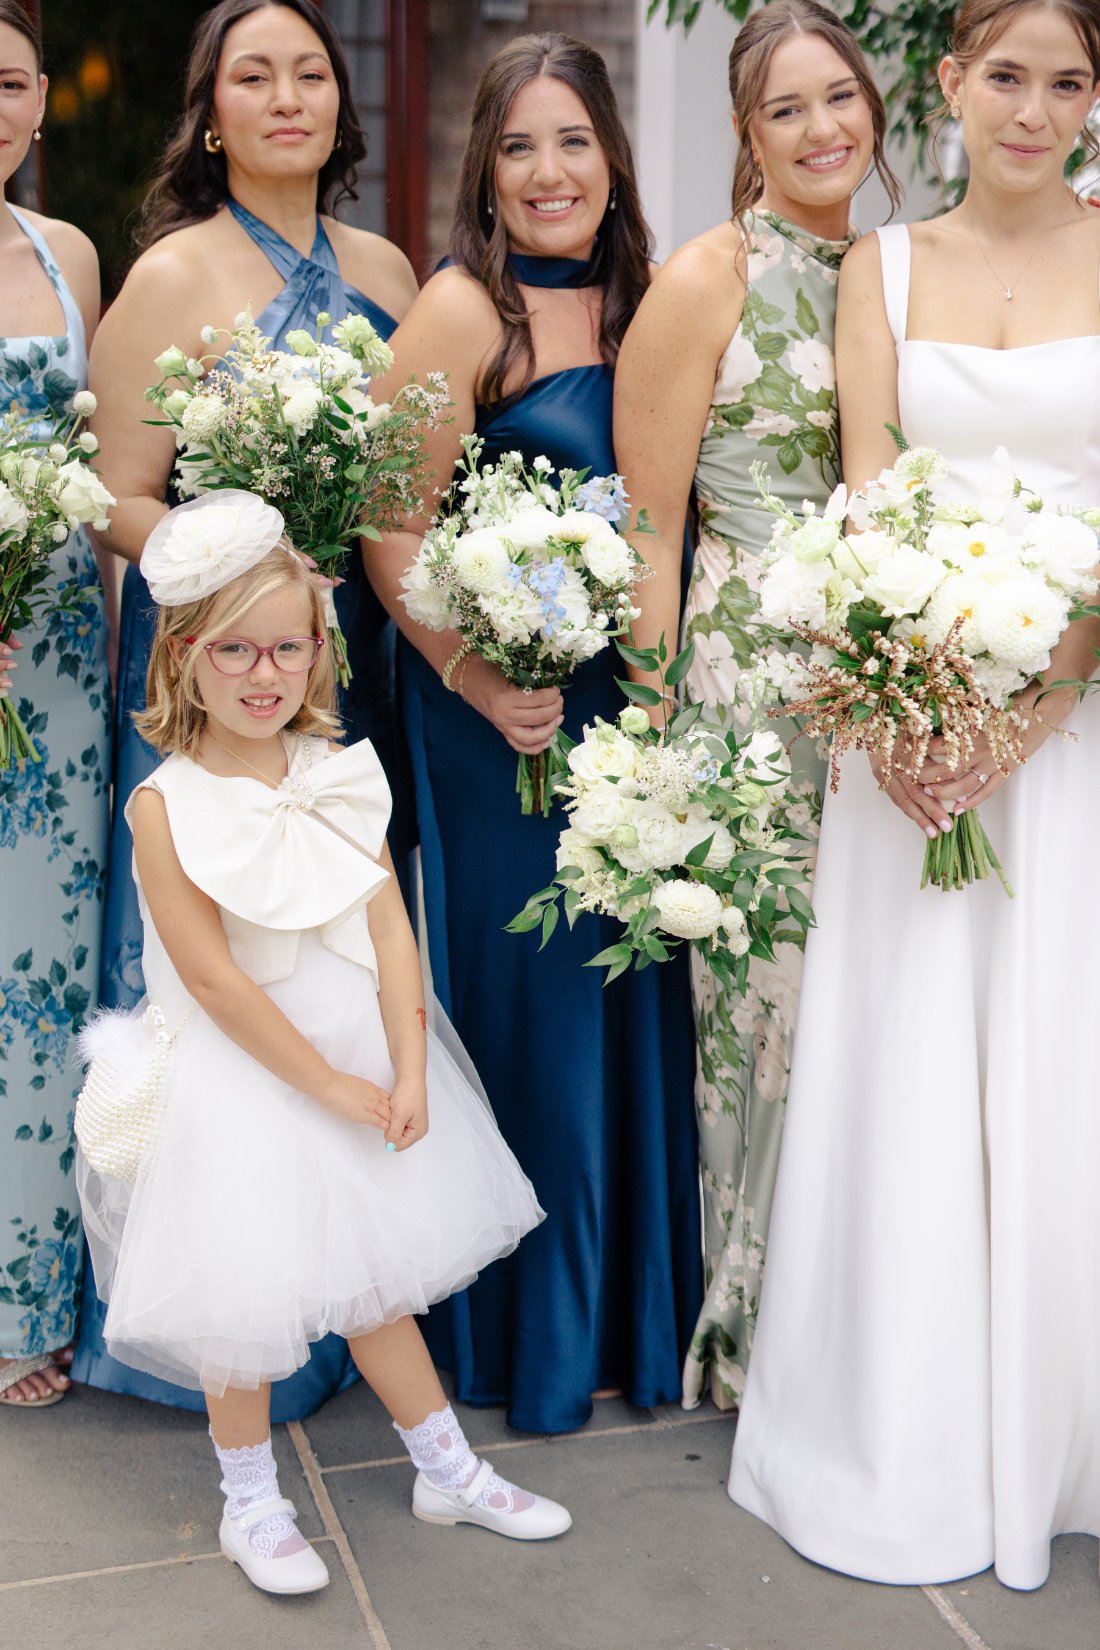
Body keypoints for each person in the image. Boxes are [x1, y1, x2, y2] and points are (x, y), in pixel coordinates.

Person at [729, 0, 1100, 1591]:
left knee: (1059, 1051)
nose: (1033, 110)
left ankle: (1062, 1434)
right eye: (1004, 76)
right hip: (914, 728)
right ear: (947, 86)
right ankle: (908, 1432)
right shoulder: (879, 270)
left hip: (1070, 727)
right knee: (916, 1064)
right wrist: (911, 701)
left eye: (1068, 82)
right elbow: (871, 494)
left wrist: (1033, 709)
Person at [76, 490, 570, 1596]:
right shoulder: (167, 804)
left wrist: (403, 1066)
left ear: (317, 650)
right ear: (186, 658)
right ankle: (248, 1501)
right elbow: (209, 976)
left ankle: (444, 1466)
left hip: (358, 1055)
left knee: (373, 1286)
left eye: (288, 648)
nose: (265, 674)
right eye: (236, 651)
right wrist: (328, 1085)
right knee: (238, 1316)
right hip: (248, 1080)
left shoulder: (337, 767)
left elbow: (387, 920)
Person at [73, 0, 418, 1418]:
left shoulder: (391, 267)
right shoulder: (168, 275)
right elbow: (109, 491)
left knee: (331, 960)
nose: (287, 97)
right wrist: (245, 543)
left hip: (346, 666)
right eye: (252, 77)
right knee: (219, 976)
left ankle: (343, 1289)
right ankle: (214, 1319)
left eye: (311, 74)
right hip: (221, 672)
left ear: (342, 108)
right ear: (210, 114)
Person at [365, 33, 702, 1434]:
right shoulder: (458, 314)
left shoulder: (650, 302)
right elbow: (387, 528)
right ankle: (524, 1338)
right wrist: (468, 672)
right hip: (493, 709)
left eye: (573, 142)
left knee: (636, 991)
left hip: (628, 698)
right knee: (535, 1006)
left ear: (613, 157)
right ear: (483, 177)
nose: (550, 172)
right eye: (519, 148)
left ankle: (633, 1319)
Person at [614, 0, 899, 1411]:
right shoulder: (707, 278)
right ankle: (750, 1328)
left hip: (888, 681)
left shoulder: (901, 270)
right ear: (745, 133)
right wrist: (662, 737)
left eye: (838, 98)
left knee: (872, 1000)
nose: (820, 129)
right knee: (763, 1013)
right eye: (786, 109)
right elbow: (650, 526)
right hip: (744, 681)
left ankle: (865, 1316)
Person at [0, 0, 109, 1410]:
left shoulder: (69, 254)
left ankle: (26, 1290)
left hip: (64, 662)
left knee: (38, 984)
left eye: (11, 82)